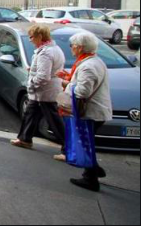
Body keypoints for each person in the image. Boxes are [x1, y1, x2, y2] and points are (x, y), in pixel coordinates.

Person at [57, 32, 112, 192]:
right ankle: (93, 169)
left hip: (90, 112)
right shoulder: (94, 61)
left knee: (85, 143)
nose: (71, 48)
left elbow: (82, 92)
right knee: (87, 143)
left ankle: (91, 178)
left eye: (72, 45)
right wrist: (70, 79)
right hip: (95, 110)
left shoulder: (88, 66)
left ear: (80, 47)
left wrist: (65, 83)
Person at [11, 25, 67, 161]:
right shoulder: (51, 49)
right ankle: (25, 139)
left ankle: (69, 149)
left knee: (55, 122)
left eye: (32, 37)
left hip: (45, 92)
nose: (30, 40)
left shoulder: (46, 53)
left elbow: (43, 77)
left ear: (40, 37)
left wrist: (31, 85)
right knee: (30, 114)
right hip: (42, 93)